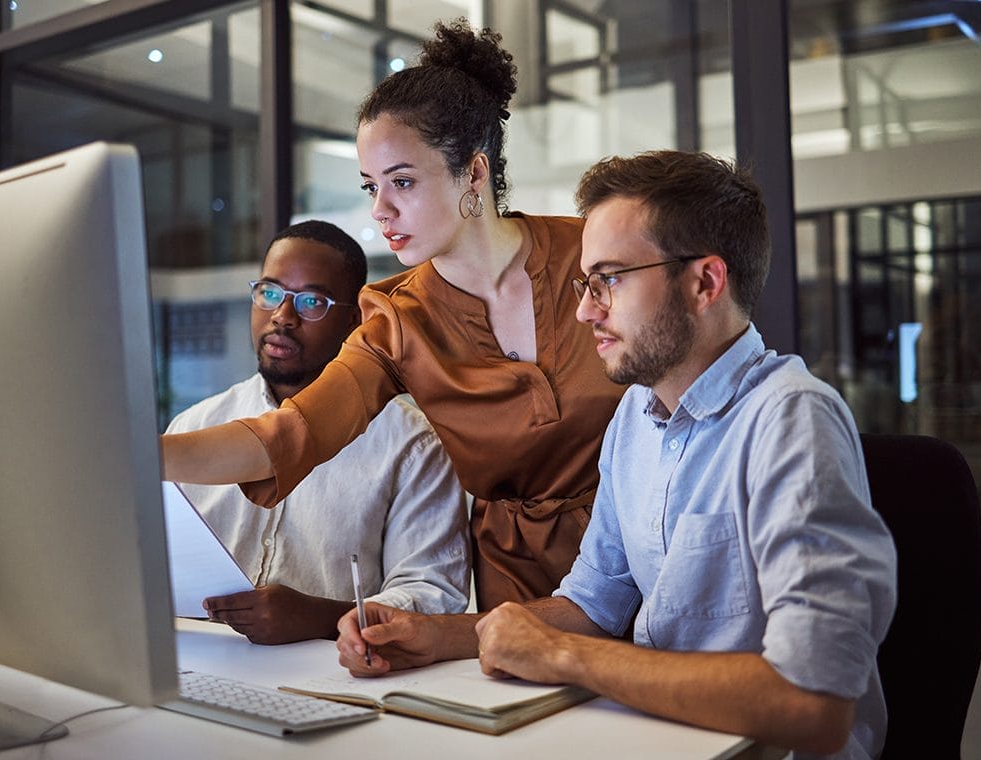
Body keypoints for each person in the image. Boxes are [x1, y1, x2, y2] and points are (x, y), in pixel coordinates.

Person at [334, 151, 898, 759]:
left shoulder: (791, 419)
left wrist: (564, 656)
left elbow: (812, 704)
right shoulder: (635, 414)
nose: (584, 310)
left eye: (610, 280)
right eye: (585, 283)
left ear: (705, 282)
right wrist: (437, 636)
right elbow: (592, 603)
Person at [161, 19, 625, 609]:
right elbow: (287, 435)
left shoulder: (594, 255)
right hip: (517, 587)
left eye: (401, 182)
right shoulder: (395, 319)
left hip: (643, 548)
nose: (381, 210)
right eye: (370, 187)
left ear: (474, 173)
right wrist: (139, 453)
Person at [166, 220, 470, 644]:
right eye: (269, 293)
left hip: (336, 674)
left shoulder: (412, 445)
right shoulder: (196, 426)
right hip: (197, 661)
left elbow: (435, 595)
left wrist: (319, 617)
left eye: (312, 302)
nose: (282, 316)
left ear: (354, 320)